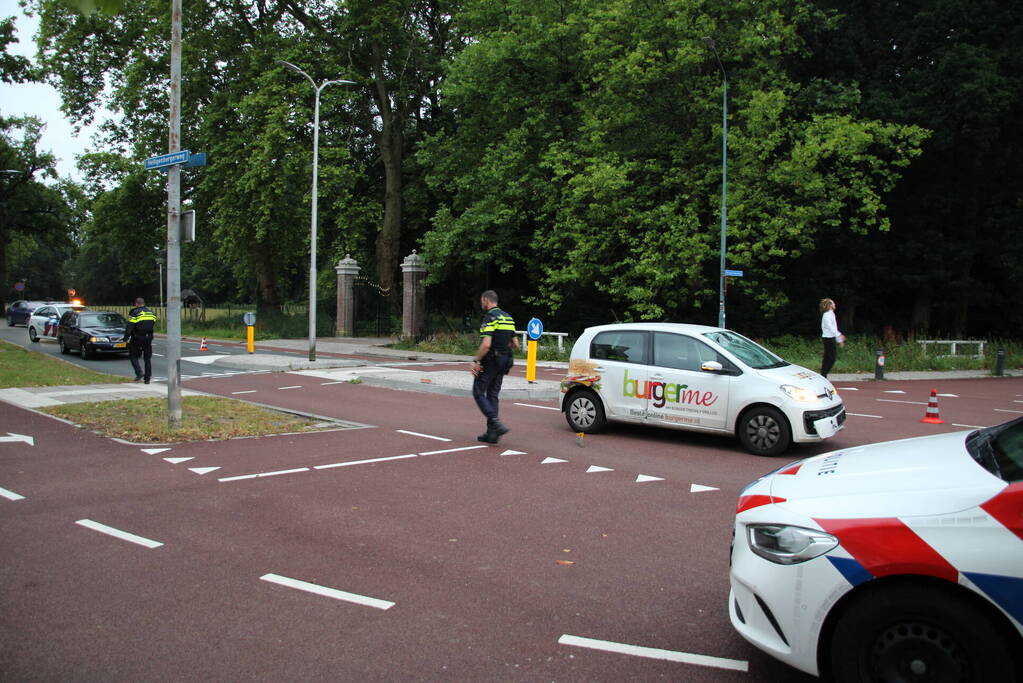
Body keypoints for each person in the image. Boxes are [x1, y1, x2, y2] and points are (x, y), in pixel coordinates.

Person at [471, 290, 519, 443]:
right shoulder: (508, 317)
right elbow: (516, 344)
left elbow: (486, 344)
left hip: (491, 360)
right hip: (504, 361)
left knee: (478, 391)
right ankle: (492, 434)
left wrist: (476, 361)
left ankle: (495, 422)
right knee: (493, 394)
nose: (481, 303)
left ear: (486, 300)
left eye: (481, 300)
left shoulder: (490, 317)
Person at [126, 297, 158, 384]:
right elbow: (153, 323)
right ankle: (147, 379)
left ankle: (139, 372)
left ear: (136, 304)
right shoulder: (152, 313)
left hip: (137, 337)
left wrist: (126, 337)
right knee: (147, 358)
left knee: (133, 355)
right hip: (149, 337)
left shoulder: (134, 312)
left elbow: (130, 326)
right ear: (144, 303)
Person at [819, 298, 845, 378]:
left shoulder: (831, 314)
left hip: (830, 338)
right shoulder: (827, 315)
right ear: (830, 305)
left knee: (827, 358)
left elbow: (834, 328)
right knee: (831, 358)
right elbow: (830, 327)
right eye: (833, 303)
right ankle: (823, 374)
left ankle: (823, 375)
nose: (834, 304)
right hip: (828, 338)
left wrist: (839, 340)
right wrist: (839, 335)